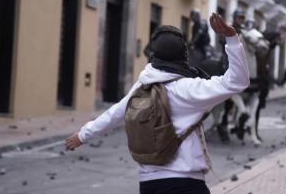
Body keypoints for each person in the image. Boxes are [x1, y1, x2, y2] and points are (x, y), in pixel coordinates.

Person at [65, 13, 249, 194]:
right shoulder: (188, 89)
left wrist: (82, 135)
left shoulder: (142, 86)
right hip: (186, 183)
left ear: (154, 54)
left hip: (149, 184)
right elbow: (237, 82)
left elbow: (114, 114)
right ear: (184, 55)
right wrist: (231, 38)